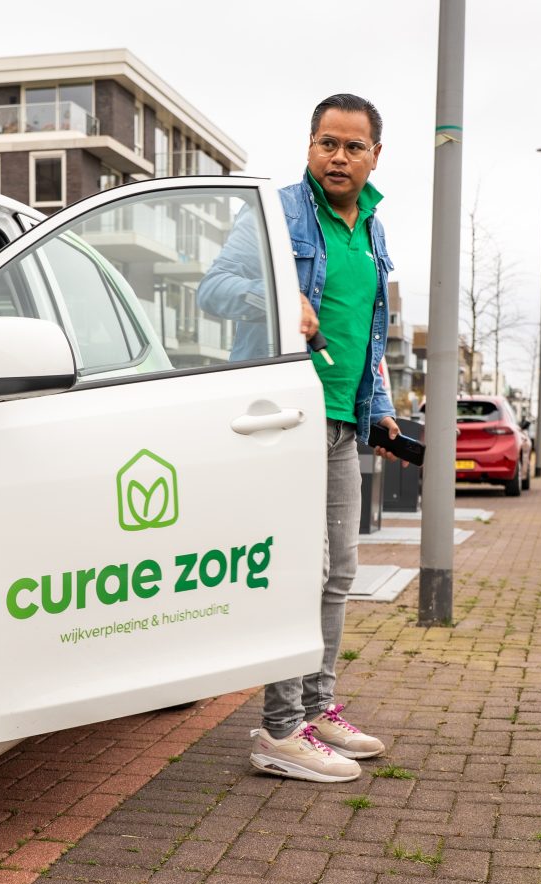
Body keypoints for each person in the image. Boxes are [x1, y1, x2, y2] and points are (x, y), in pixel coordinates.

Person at [199, 93, 403, 783]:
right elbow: (213, 289)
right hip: (286, 415)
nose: (338, 157)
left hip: (342, 420)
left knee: (340, 573)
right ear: (310, 146)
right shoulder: (278, 212)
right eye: (327, 143)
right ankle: (280, 730)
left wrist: (381, 407)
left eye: (353, 146)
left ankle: (316, 711)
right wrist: (280, 300)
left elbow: (368, 331)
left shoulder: (372, 228)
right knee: (298, 572)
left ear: (375, 155)